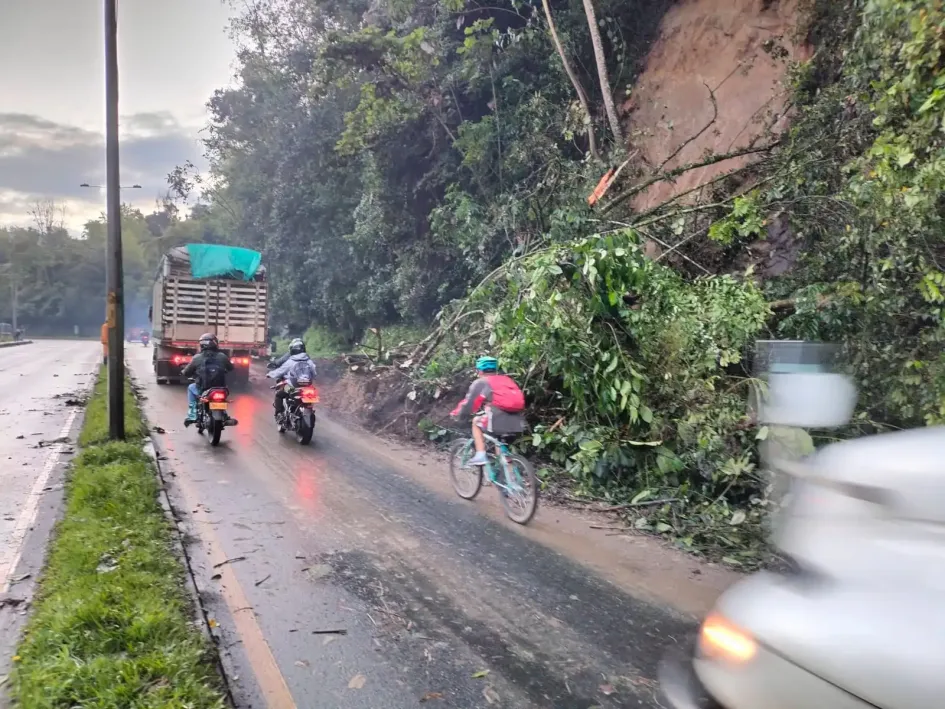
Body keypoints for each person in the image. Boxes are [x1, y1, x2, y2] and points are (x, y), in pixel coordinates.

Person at [450, 356, 526, 467]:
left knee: (476, 421)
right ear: (495, 369)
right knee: (499, 443)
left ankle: (480, 455)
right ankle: (506, 472)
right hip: (517, 421)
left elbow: (470, 403)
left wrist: (459, 414)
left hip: (497, 419)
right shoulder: (507, 380)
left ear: (480, 371)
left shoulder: (481, 382)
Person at [181, 333, 233, 423]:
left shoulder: (197, 358)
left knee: (190, 387)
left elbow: (186, 372)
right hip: (220, 389)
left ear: (202, 344)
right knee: (223, 397)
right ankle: (225, 414)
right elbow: (230, 368)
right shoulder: (222, 356)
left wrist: (184, 372)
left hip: (203, 389)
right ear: (215, 343)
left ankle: (192, 414)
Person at [266, 340, 318, 419]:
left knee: (279, 395)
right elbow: (314, 373)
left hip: (292, 387)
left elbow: (280, 371)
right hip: (307, 387)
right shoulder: (309, 361)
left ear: (292, 350)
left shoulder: (291, 361)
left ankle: (279, 413)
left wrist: (270, 374)